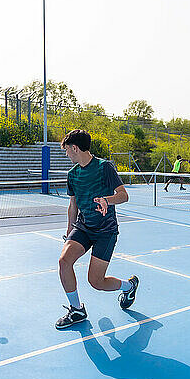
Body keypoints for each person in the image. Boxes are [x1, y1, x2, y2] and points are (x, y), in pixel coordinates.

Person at [55, 129, 139, 329]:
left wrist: (106, 200)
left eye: (67, 150)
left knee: (96, 282)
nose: (66, 154)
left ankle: (129, 286)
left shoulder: (104, 167)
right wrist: (69, 231)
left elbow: (123, 195)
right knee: (64, 261)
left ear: (75, 148)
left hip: (105, 232)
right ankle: (77, 310)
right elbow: (73, 205)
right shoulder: (72, 174)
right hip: (83, 227)